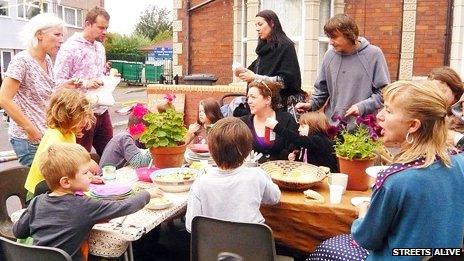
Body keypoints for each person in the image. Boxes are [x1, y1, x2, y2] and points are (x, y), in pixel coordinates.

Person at [307, 81, 464, 260]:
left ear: (413, 125)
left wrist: (363, 212)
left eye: (388, 110)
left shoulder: (395, 180)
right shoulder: (459, 163)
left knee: (326, 249)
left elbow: (366, 239)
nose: (379, 115)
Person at [13, 143, 164, 260]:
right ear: (66, 182)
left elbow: (18, 231)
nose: (91, 176)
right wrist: (147, 194)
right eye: (86, 173)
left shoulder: (37, 202)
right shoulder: (84, 206)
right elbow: (123, 206)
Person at [0, 13, 73, 166]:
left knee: (50, 185)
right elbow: (4, 99)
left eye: (62, 35)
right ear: (40, 34)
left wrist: (65, 86)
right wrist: (30, 129)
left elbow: (44, 92)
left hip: (46, 135)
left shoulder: (46, 60)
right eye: (57, 34)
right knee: (38, 186)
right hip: (28, 139)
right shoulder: (22, 61)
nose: (61, 40)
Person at [185, 117, 281, 232]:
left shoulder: (200, 183)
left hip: (214, 247)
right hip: (252, 245)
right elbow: (275, 198)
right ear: (247, 150)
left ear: (210, 150)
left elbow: (191, 226)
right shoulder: (257, 175)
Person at [296, 14, 390, 125]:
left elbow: (384, 93)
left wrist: (362, 107)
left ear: (349, 34)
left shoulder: (374, 54)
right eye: (329, 37)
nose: (330, 42)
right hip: (332, 128)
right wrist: (311, 104)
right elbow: (322, 91)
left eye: (334, 37)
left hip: (362, 131)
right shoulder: (329, 56)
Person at [54, 6, 112, 156]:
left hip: (101, 109)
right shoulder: (69, 47)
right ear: (88, 24)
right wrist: (85, 83)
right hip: (80, 113)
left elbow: (97, 73)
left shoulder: (100, 47)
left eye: (106, 28)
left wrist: (107, 75)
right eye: (100, 27)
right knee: (81, 158)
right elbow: (58, 81)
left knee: (111, 153)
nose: (104, 32)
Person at [24, 89, 96, 196]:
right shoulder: (55, 137)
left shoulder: (69, 133)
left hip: (58, 186)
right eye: (81, 117)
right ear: (65, 116)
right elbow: (58, 171)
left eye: (86, 116)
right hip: (41, 191)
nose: (85, 122)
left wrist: (86, 177)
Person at [237, 9, 303, 110]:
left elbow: (288, 81)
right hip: (261, 106)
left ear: (272, 23)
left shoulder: (285, 46)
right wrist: (241, 71)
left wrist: (255, 77)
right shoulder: (263, 50)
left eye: (260, 24)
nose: (257, 29)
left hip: (281, 107)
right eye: (256, 25)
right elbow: (254, 71)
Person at [240, 80, 298, 162]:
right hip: (253, 172)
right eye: (248, 97)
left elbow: (294, 149)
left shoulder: (286, 120)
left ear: (267, 99)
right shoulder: (243, 123)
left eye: (253, 97)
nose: (249, 101)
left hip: (280, 171)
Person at [265, 111, 339, 172]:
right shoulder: (309, 142)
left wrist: (277, 127)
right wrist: (294, 155)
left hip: (326, 178)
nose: (299, 129)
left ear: (314, 127)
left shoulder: (319, 140)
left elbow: (297, 139)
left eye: (303, 126)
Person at [99, 103, 152, 169]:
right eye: (150, 129)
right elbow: (139, 163)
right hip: (107, 177)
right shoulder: (125, 138)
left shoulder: (131, 139)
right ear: (143, 128)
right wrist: (156, 148)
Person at [427, 66, 464, 148]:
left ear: (455, 92)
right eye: (431, 92)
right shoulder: (429, 115)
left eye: (441, 91)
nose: (435, 96)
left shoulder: (461, 114)